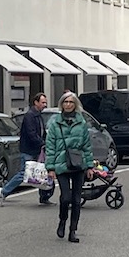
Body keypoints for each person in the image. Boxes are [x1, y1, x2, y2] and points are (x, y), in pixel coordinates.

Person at [44, 91, 94, 243]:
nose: (68, 105)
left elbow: (87, 146)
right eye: (65, 102)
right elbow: (50, 147)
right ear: (62, 104)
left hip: (78, 164)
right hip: (61, 164)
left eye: (71, 102)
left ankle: (73, 231)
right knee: (66, 198)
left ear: (75, 105)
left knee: (77, 200)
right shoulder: (54, 123)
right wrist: (50, 168)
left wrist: (90, 166)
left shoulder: (82, 123)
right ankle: (62, 221)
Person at [0, 93, 51, 204]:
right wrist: (42, 143)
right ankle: (4, 191)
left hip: (37, 150)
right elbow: (32, 134)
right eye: (43, 102)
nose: (45, 105)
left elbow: (42, 132)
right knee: (24, 173)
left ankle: (44, 197)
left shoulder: (38, 115)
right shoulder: (30, 116)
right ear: (36, 102)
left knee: (41, 172)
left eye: (45, 102)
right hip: (28, 150)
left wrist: (46, 142)